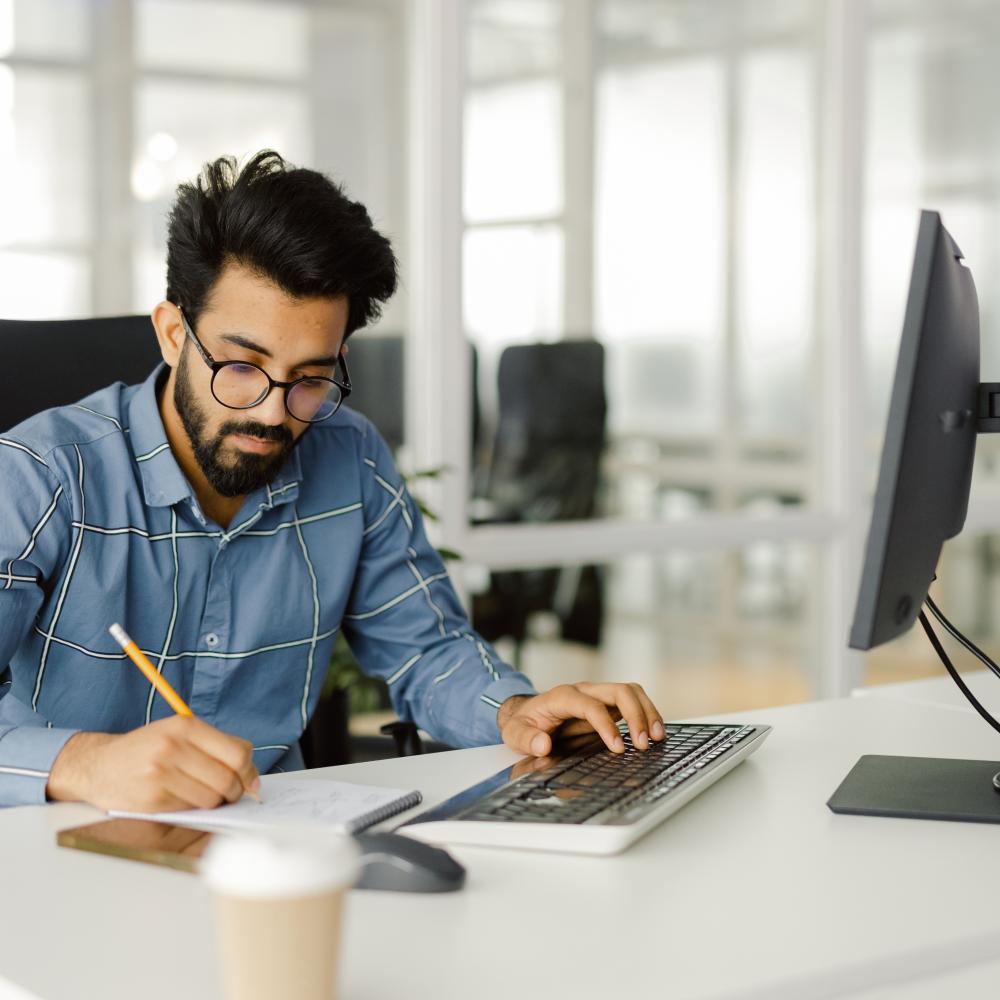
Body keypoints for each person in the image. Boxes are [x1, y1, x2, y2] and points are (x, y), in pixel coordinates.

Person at [0, 151, 665, 811]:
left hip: (279, 842)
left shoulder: (351, 459)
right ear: (174, 334)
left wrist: (517, 711)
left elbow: (427, 651)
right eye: (240, 365)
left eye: (310, 377)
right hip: (70, 851)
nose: (271, 411)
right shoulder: (41, 475)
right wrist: (84, 765)